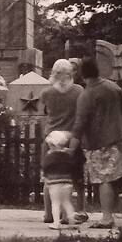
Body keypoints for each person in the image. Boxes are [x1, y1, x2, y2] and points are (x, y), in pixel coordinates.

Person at [71, 57, 122, 229]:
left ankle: (107, 218)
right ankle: (112, 212)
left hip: (100, 141)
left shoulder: (86, 95)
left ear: (82, 75)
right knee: (114, 177)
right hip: (120, 137)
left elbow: (79, 124)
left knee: (104, 179)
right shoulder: (113, 87)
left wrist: (71, 148)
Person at [41, 58, 89, 223]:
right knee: (74, 177)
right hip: (71, 137)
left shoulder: (47, 92)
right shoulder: (78, 91)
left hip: (51, 137)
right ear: (70, 73)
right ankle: (79, 210)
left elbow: (46, 111)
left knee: (50, 177)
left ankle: (49, 214)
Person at [40, 130, 83, 229]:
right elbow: (73, 167)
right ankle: (71, 221)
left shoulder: (50, 156)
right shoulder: (67, 155)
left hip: (55, 183)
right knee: (67, 202)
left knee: (55, 203)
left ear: (51, 144)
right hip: (67, 183)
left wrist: (46, 176)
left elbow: (45, 166)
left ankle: (56, 223)